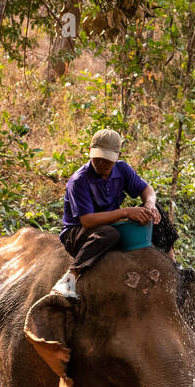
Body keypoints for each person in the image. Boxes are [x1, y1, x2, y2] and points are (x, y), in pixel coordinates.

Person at [50, 128, 161, 299]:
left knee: (157, 211)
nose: (101, 163)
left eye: (107, 160)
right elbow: (87, 221)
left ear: (117, 157)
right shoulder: (79, 180)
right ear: (90, 152)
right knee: (110, 234)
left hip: (111, 223)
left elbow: (147, 190)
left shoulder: (122, 170)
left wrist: (149, 204)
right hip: (79, 232)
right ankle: (70, 276)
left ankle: (172, 265)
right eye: (98, 158)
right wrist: (125, 212)